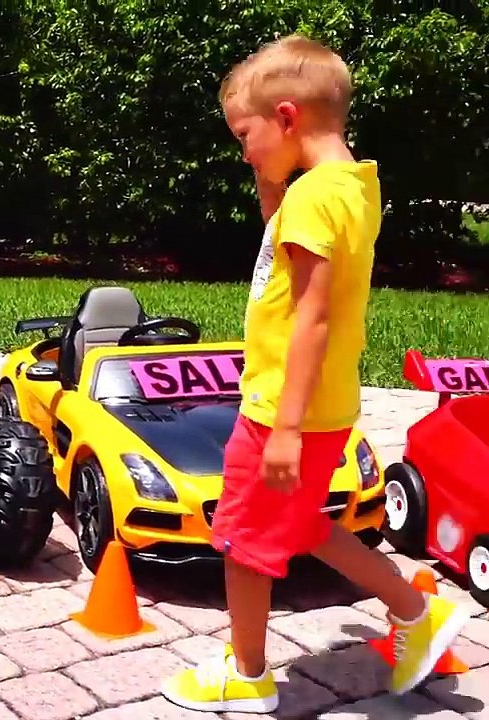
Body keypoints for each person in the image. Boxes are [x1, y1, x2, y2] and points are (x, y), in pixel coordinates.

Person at [160, 34, 469, 714]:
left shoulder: (313, 200)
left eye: (247, 135)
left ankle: (247, 675)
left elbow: (313, 319)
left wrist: (283, 430)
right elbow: (286, 247)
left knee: (242, 541)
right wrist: (270, 180)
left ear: (289, 117)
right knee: (303, 527)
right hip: (328, 402)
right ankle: (413, 613)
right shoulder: (354, 185)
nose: (244, 152)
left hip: (282, 408)